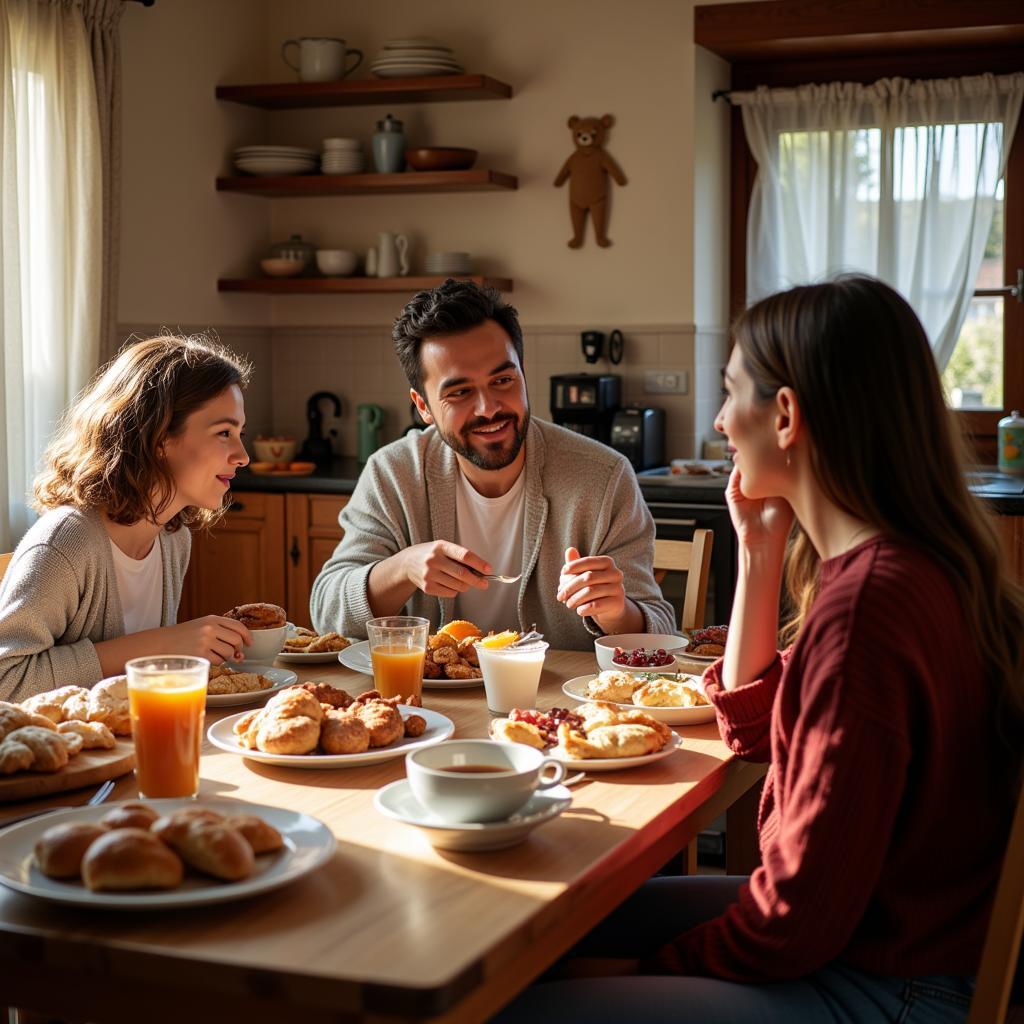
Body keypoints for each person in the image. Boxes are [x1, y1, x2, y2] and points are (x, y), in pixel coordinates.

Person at [493, 275, 1024, 1022]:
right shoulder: (908, 563)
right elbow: (753, 729)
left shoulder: (869, 607)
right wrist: (759, 549)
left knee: (525, 1004)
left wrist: (647, 969)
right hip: (887, 934)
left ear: (785, 415)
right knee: (551, 919)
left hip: (889, 982)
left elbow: (792, 923)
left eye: (728, 391)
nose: (716, 419)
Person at [310, 279, 674, 648]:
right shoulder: (393, 473)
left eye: (503, 380)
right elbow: (326, 611)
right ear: (423, 406)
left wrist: (616, 612)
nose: (489, 408)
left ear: (523, 372)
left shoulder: (603, 476)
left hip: (560, 701)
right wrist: (403, 568)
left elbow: (661, 630)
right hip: (424, 701)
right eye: (460, 392)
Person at [0, 334, 256, 702]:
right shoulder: (66, 542)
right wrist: (155, 646)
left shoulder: (173, 537)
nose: (242, 455)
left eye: (240, 433)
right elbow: (6, 680)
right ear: (159, 437)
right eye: (224, 433)